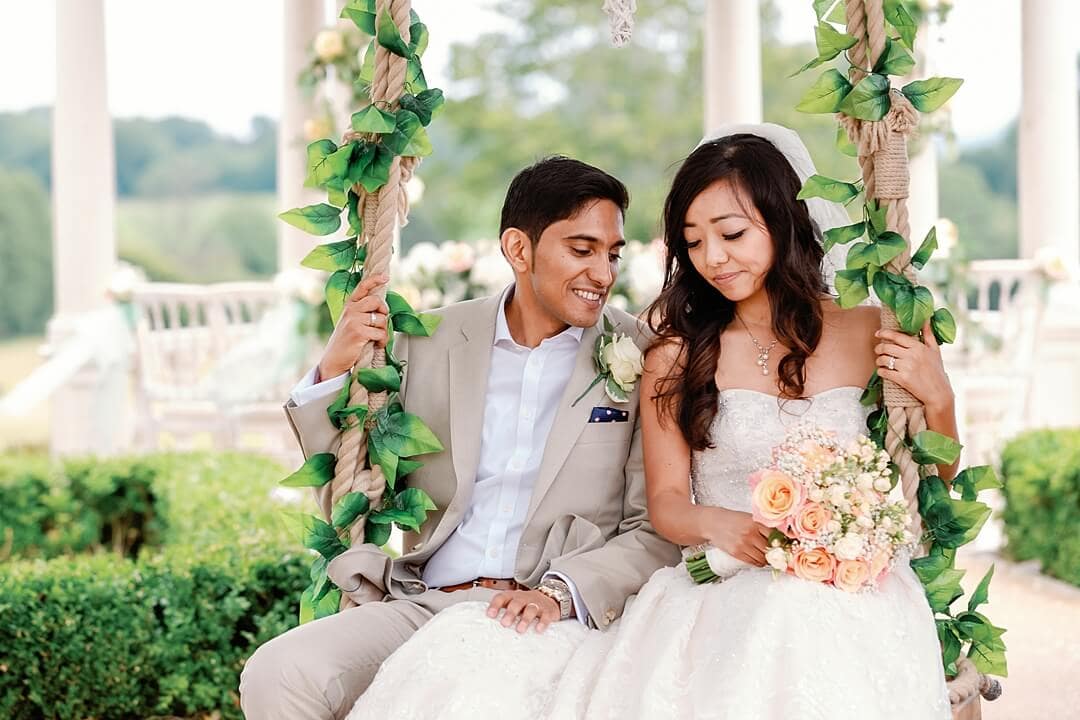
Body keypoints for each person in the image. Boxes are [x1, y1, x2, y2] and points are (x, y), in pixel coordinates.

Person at [345, 124, 954, 719]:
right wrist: (724, 525)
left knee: (810, 624)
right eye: (692, 241)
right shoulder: (678, 352)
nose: (713, 258)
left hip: (849, 579)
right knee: (779, 622)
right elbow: (665, 505)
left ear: (783, 222)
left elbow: (936, 477)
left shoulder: (875, 329)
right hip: (730, 575)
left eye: (732, 234)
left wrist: (938, 396)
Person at [239, 155, 680, 720]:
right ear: (518, 249)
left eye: (612, 254)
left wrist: (562, 590)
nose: (603, 273)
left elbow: (654, 529)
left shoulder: (640, 356)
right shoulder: (429, 342)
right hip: (426, 602)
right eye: (581, 249)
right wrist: (332, 370)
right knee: (279, 673)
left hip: (542, 612)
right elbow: (351, 493)